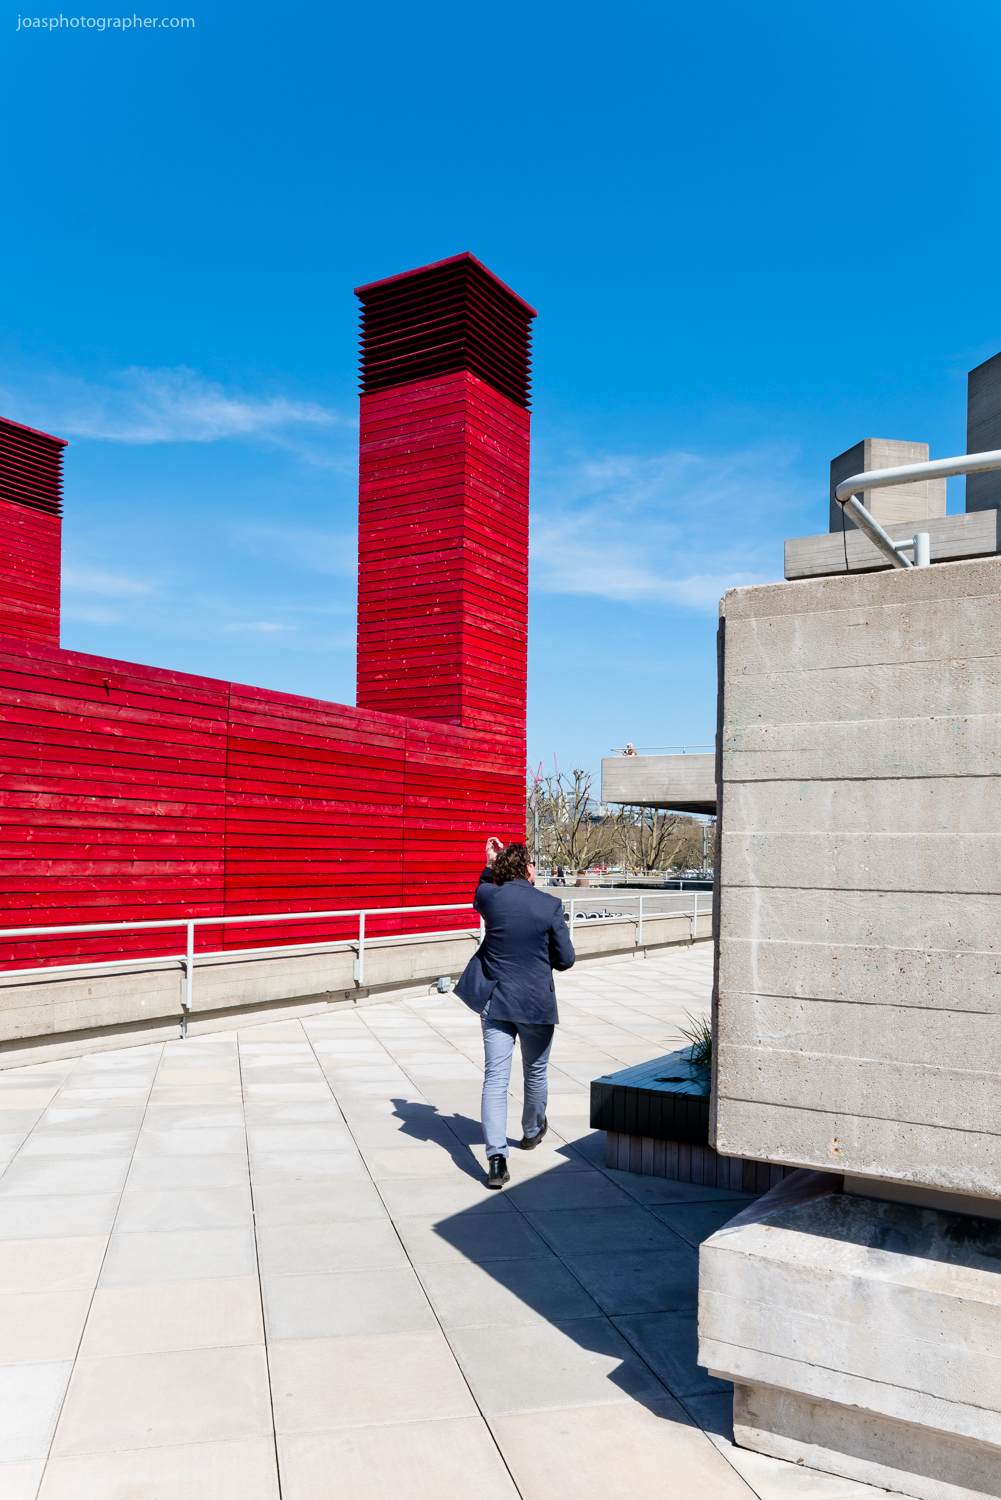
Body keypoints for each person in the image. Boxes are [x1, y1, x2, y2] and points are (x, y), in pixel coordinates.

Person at [454, 837, 576, 1187]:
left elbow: (481, 888)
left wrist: (490, 861)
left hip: (496, 1002)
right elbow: (566, 959)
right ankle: (531, 1131)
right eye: (533, 864)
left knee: (495, 1079)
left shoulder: (490, 898)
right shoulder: (549, 905)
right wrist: (543, 961)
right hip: (535, 1004)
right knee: (535, 1073)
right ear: (527, 869)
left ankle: (496, 1160)